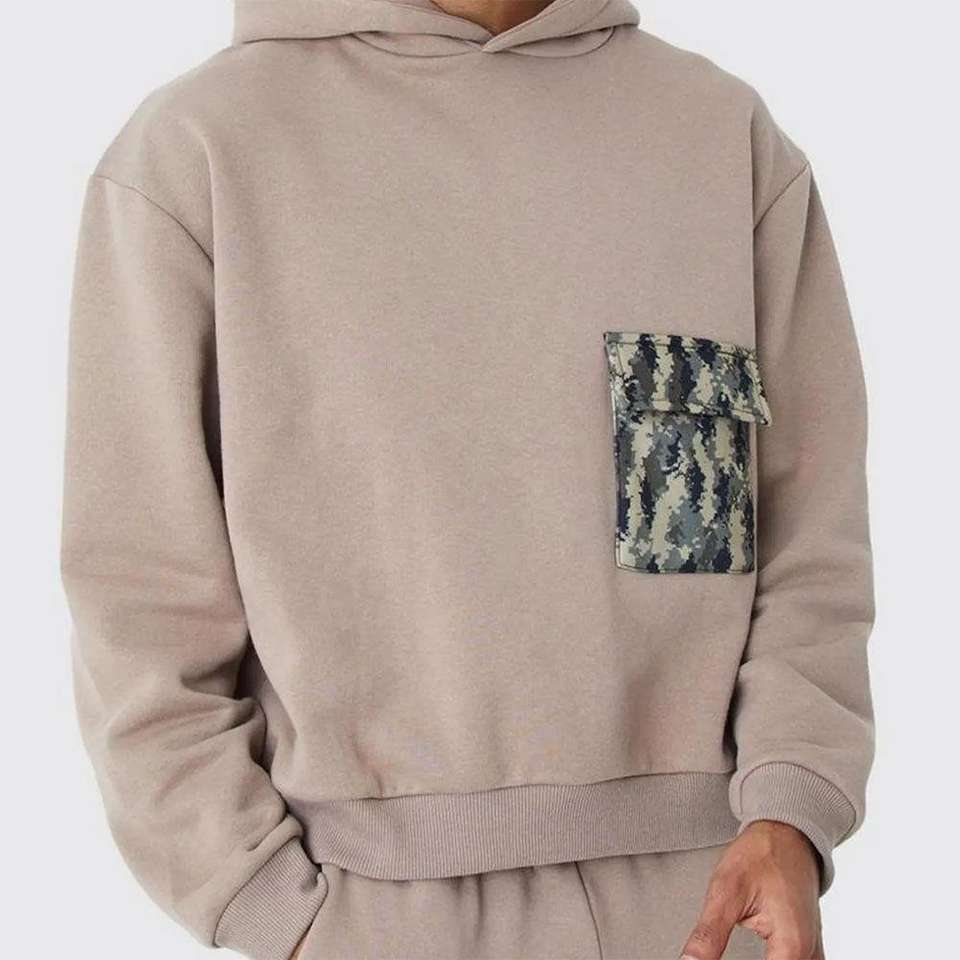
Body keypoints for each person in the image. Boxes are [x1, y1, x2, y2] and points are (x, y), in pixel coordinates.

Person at [62, 2, 874, 958]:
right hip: (369, 910)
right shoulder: (198, 152)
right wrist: (268, 907)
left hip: (711, 913)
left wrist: (790, 814)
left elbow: (810, 541)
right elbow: (141, 601)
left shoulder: (721, 135)